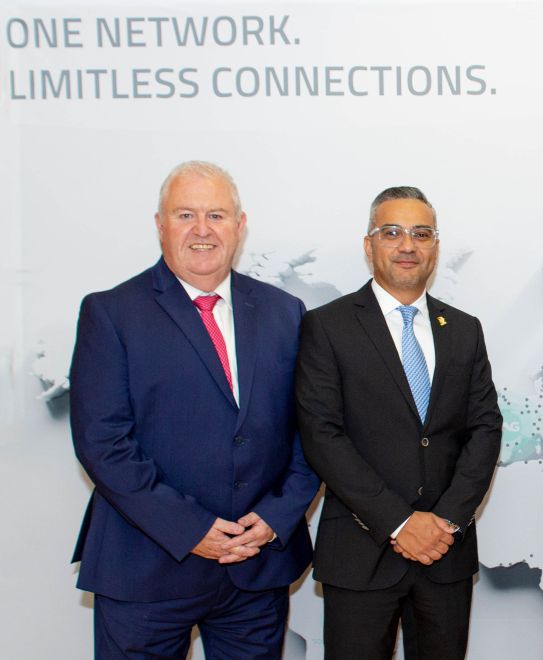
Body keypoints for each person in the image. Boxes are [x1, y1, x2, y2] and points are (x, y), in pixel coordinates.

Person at [69, 161, 320, 658]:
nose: (202, 230)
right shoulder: (111, 312)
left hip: (255, 569)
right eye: (185, 215)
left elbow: (313, 431)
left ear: (240, 225)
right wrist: (191, 529)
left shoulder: (285, 312)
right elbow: (103, 443)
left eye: (216, 215)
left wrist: (276, 516)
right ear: (160, 224)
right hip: (145, 572)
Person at [294, 186, 501, 660]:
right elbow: (322, 434)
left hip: (445, 555)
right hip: (360, 552)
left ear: (435, 248)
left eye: (421, 234)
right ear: (369, 245)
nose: (408, 245)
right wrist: (399, 522)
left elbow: (485, 429)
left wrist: (445, 521)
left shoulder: (464, 329)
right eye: (392, 232)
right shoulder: (327, 326)